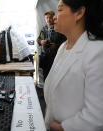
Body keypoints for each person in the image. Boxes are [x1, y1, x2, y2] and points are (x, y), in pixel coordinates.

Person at [44, 0, 103, 131]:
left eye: (59, 10)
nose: (54, 16)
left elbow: (97, 116)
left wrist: (63, 128)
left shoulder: (97, 52)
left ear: (79, 13)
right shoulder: (63, 47)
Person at [37, 11, 66, 81]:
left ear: (53, 18)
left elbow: (66, 42)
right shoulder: (43, 29)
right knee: (45, 75)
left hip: (56, 56)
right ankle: (46, 90)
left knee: (55, 75)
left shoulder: (59, 28)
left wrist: (56, 45)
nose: (48, 20)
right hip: (45, 56)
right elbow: (38, 39)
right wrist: (41, 41)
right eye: (46, 18)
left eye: (50, 18)